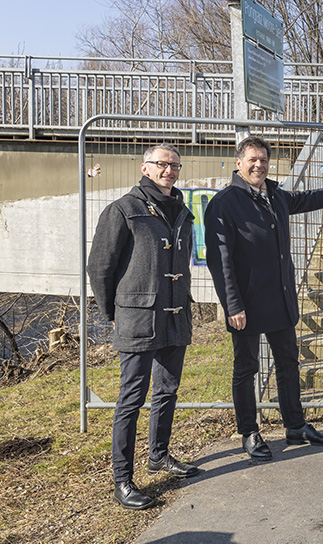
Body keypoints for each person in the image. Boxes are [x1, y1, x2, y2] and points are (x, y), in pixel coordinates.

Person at [204, 135, 323, 460]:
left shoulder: (274, 195)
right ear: (239, 163)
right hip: (245, 304)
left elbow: (307, 199)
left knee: (288, 365)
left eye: (264, 160)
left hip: (280, 300)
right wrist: (232, 305)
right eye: (252, 160)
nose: (259, 165)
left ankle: (296, 426)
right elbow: (220, 260)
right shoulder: (225, 203)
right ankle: (249, 432)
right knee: (246, 368)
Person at [87, 144, 200, 511]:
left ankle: (159, 455)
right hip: (138, 317)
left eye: (175, 165)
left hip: (174, 314)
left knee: (167, 389)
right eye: (162, 164)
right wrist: (113, 312)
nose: (169, 170)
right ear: (145, 168)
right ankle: (122, 480)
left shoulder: (182, 211)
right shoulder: (123, 209)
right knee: (131, 399)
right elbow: (100, 267)